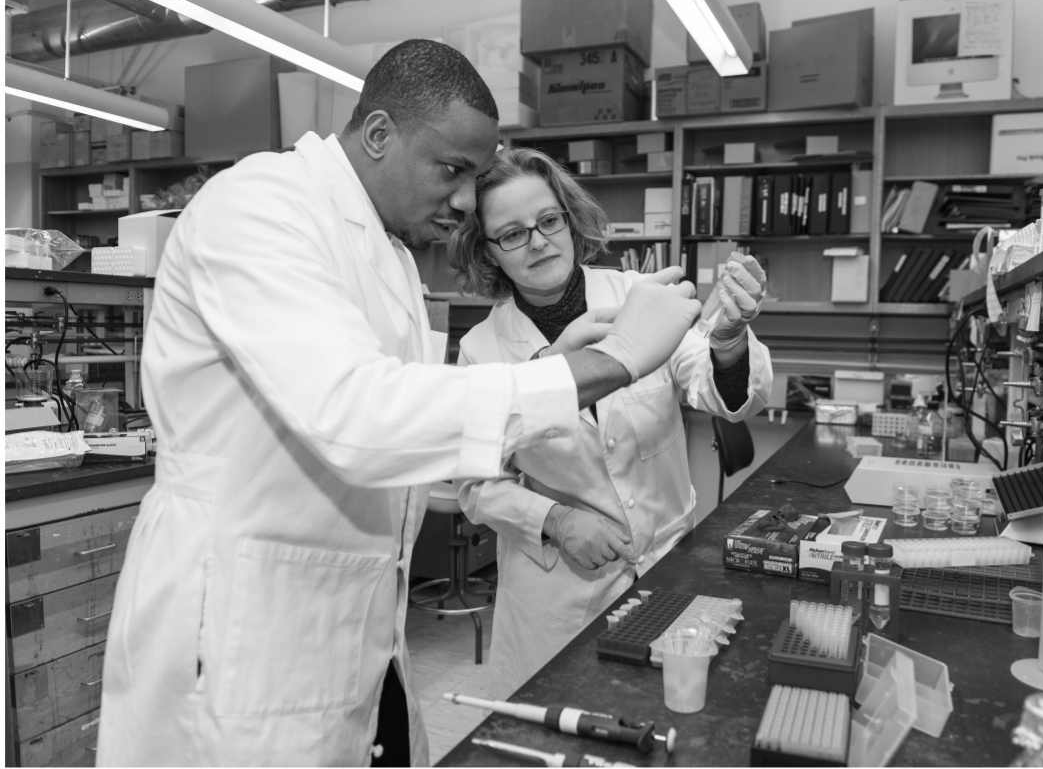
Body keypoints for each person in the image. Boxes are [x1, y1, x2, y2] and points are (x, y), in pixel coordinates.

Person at [96, 40, 704, 767]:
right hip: (242, 635)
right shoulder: (258, 205)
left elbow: (426, 427)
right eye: (452, 170)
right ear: (379, 133)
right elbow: (358, 414)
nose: (465, 201)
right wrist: (608, 362)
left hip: (357, 633)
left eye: (476, 179)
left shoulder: (387, 253)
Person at [447, 146, 773, 699]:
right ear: (488, 252)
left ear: (569, 221)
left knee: (671, 711)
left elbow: (714, 386)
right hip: (559, 588)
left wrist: (728, 341)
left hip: (668, 560)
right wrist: (555, 520)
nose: (538, 241)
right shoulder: (482, 350)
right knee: (565, 727)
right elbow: (476, 483)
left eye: (548, 221)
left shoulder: (637, 297)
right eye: (512, 234)